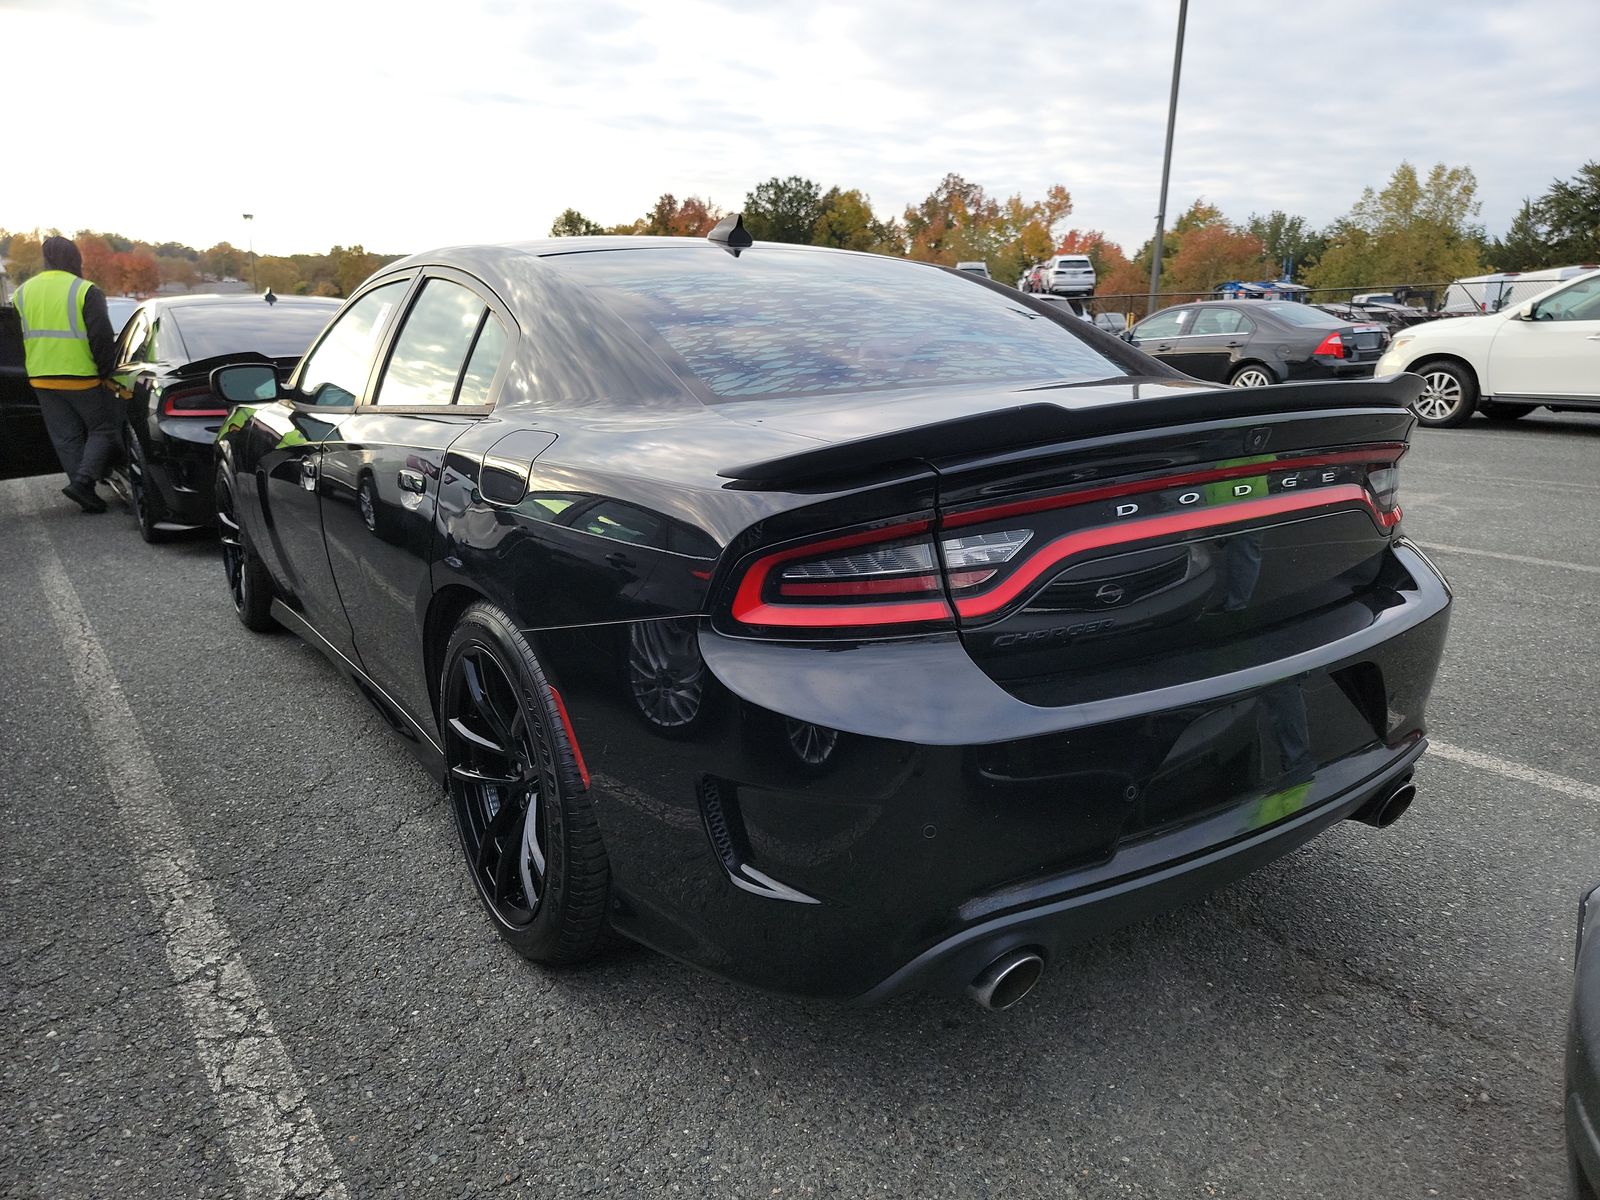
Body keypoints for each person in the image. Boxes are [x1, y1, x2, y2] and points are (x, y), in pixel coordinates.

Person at [12, 236, 119, 513]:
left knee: (66, 437)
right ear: (75, 259)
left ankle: (84, 491)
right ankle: (83, 483)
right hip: (80, 375)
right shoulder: (84, 290)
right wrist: (106, 373)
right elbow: (101, 337)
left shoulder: (23, 292)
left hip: (41, 377)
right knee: (102, 429)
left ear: (45, 259)